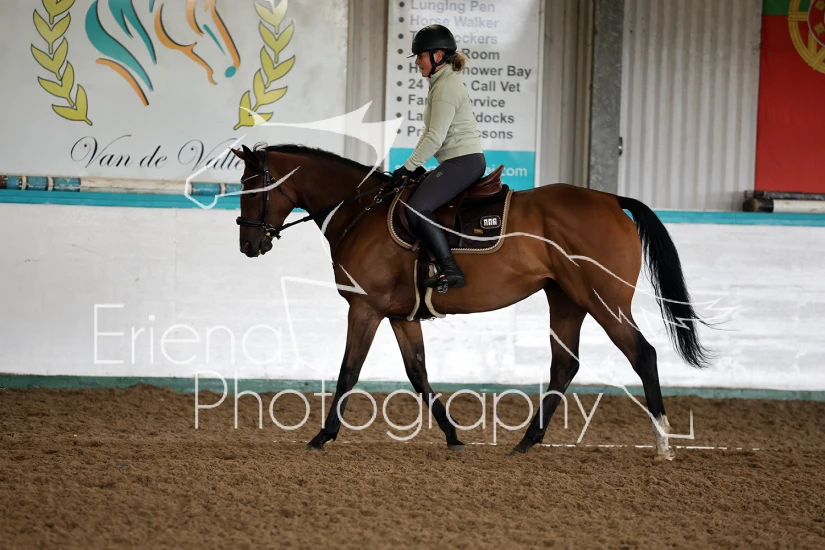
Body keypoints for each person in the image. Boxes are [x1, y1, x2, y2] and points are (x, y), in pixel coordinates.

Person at [389, 24, 486, 290]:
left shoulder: (445, 88)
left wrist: (408, 167)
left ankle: (450, 269)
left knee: (416, 207)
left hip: (464, 162)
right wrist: (410, 167)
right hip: (459, 160)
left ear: (438, 56)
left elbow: (435, 138)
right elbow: (428, 134)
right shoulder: (440, 84)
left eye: (420, 56)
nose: (417, 62)